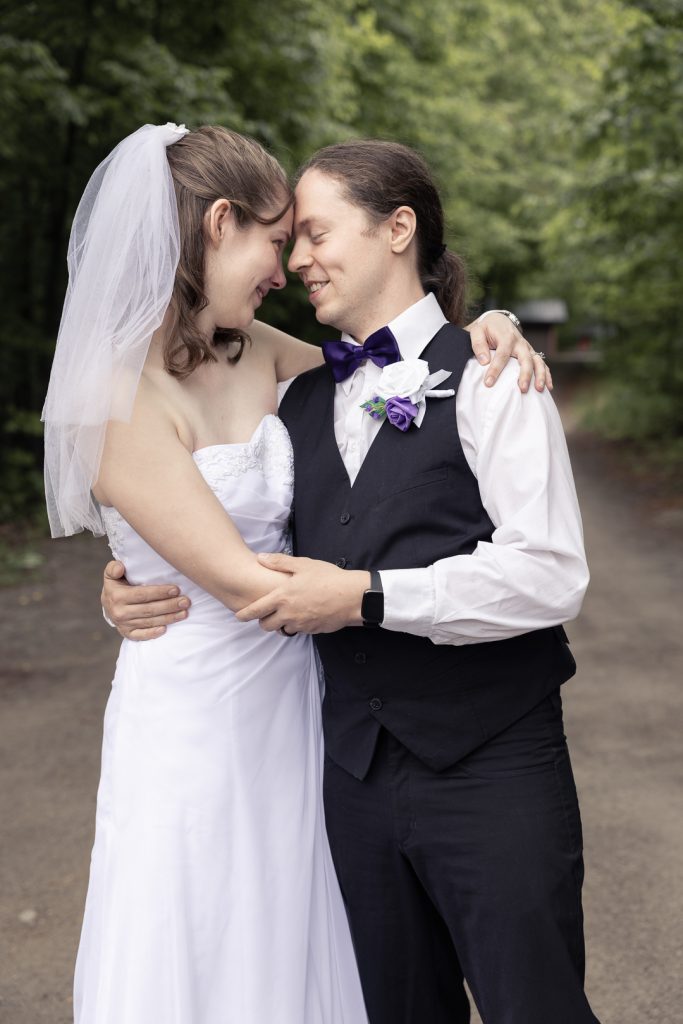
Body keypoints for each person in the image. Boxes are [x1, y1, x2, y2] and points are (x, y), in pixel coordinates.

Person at [46, 124, 534, 1023]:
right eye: (278, 241)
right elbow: (240, 583)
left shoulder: (260, 350)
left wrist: (483, 331)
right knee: (209, 932)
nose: (288, 267)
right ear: (218, 223)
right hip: (199, 718)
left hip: (309, 710)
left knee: (314, 936)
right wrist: (126, 585)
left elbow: (396, 376)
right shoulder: (110, 397)